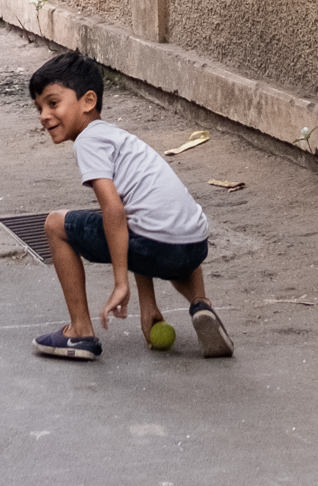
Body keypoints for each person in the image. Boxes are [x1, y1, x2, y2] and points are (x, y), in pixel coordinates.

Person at [29, 50, 232, 363]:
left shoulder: (88, 142)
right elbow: (138, 216)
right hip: (193, 246)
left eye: (53, 103)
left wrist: (121, 283)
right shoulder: (118, 137)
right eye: (39, 107)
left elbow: (115, 212)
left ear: (88, 101)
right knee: (163, 227)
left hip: (156, 246)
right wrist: (147, 304)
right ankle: (200, 304)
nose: (44, 115)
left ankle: (80, 332)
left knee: (55, 224)